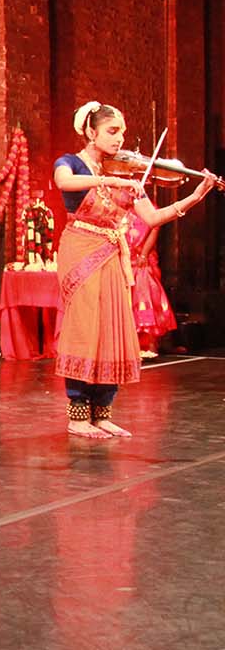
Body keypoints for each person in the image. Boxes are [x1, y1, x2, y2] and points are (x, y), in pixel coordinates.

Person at [52, 101, 214, 439]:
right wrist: (107, 178)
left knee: (111, 329)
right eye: (112, 131)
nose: (120, 138)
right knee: (86, 331)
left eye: (122, 131)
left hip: (112, 254)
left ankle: (102, 412)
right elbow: (63, 182)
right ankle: (78, 414)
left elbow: (153, 217)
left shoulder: (126, 174)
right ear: (90, 132)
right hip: (82, 252)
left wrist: (196, 196)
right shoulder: (71, 164)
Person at [125, 211, 176, 359]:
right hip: (124, 259)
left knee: (145, 296)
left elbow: (154, 228)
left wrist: (143, 254)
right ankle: (130, 346)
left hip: (142, 261)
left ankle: (150, 344)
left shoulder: (148, 207)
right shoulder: (120, 206)